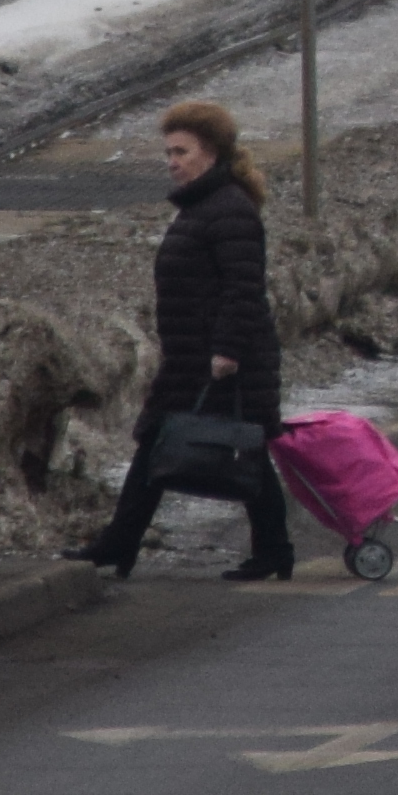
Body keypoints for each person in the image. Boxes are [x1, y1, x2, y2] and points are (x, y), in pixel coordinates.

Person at [81, 101, 289, 581]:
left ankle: (273, 548)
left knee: (241, 449)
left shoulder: (229, 210)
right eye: (168, 152)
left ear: (211, 153)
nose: (172, 161)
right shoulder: (204, 207)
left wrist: (227, 351)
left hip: (222, 358)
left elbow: (244, 288)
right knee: (162, 441)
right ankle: (121, 543)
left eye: (182, 151)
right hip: (192, 355)